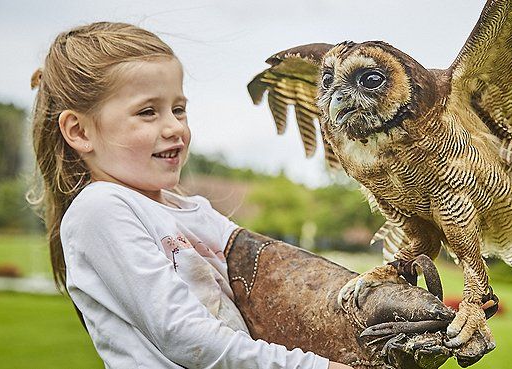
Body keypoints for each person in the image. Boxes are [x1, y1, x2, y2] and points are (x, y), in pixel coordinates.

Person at [28, 21, 353, 369]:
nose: (174, 127)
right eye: (147, 112)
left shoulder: (192, 210)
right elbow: (184, 335)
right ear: (79, 131)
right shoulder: (100, 208)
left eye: (178, 109)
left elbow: (279, 274)